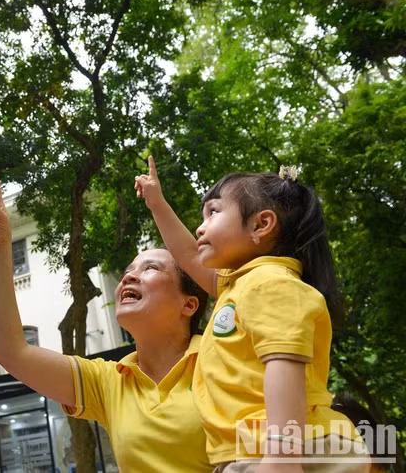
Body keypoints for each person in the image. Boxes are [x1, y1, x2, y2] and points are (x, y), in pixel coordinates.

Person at [135, 158, 370, 472]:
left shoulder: (270, 285)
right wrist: (157, 205)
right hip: (257, 453)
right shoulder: (240, 285)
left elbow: (284, 366)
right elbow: (189, 254)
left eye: (213, 212)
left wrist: (282, 460)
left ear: (261, 225)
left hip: (280, 454)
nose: (200, 227)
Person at [0, 177, 212, 472]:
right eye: (128, 270)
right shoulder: (109, 381)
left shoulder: (224, 357)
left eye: (150, 268)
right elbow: (11, 351)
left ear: (189, 304)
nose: (129, 277)